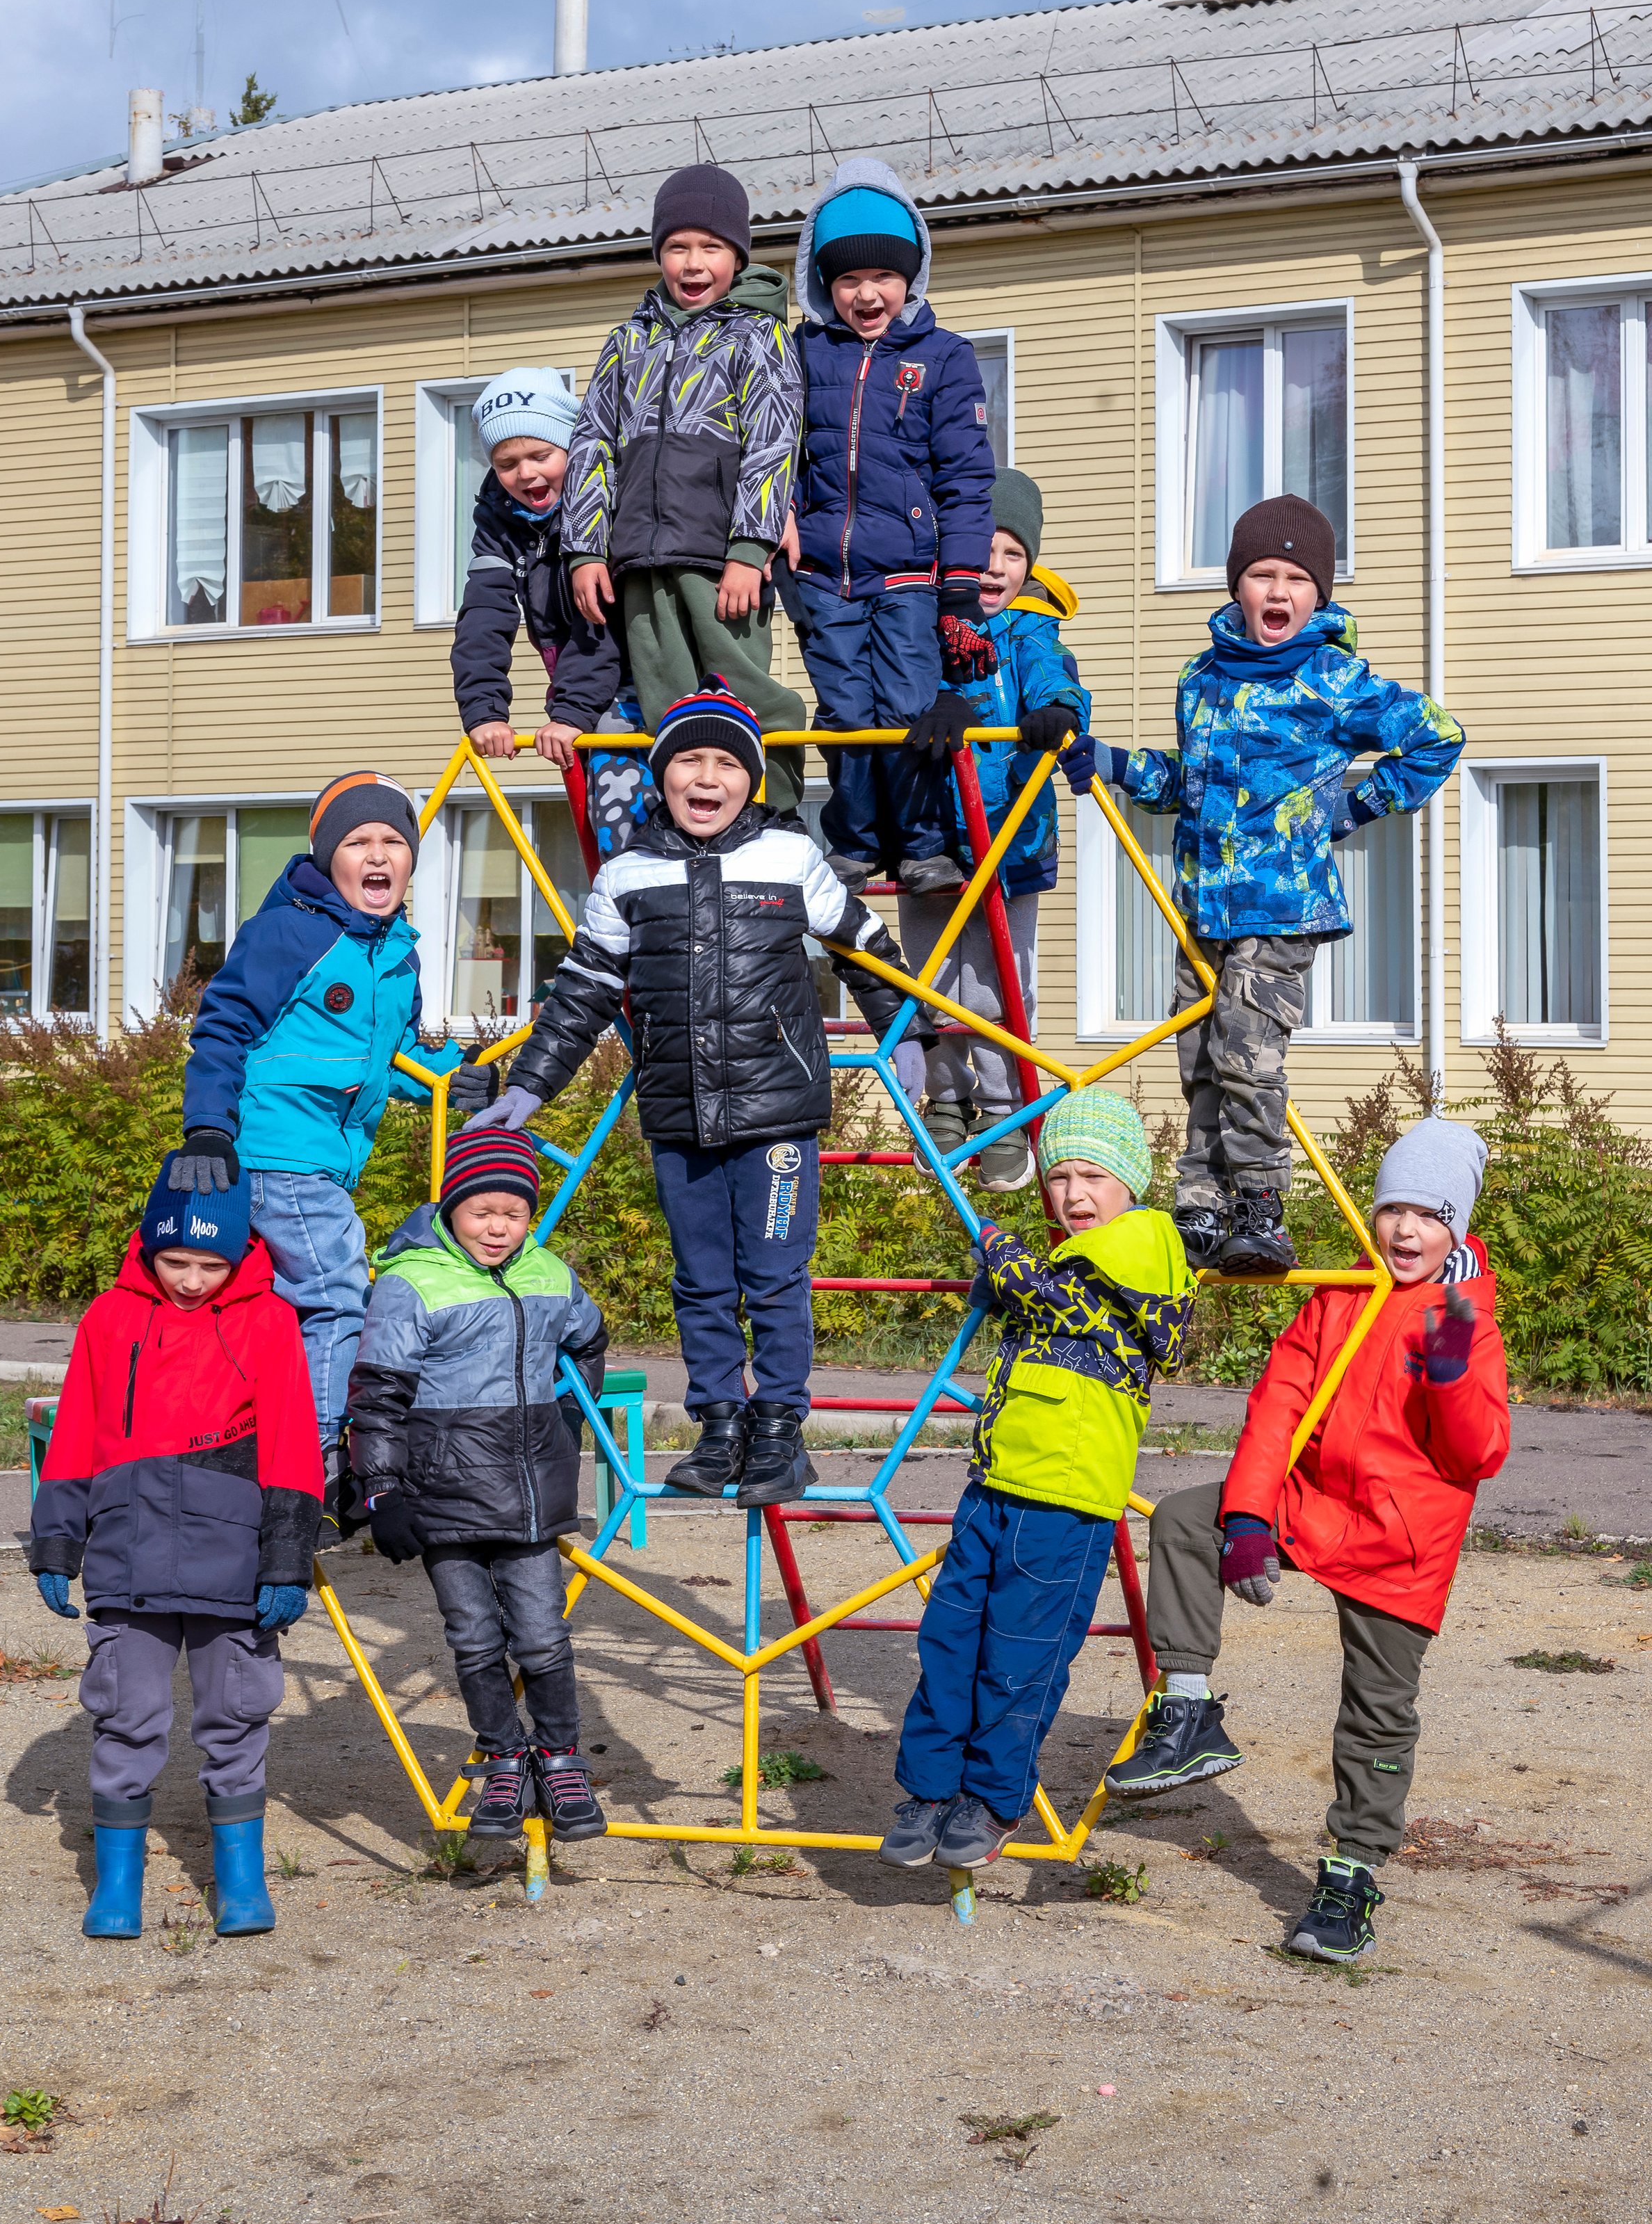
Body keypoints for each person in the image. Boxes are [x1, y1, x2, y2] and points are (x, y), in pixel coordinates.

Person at [469, 688, 932, 1506]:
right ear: (661, 776)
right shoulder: (626, 876)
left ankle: (781, 1430)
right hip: (679, 1111)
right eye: (689, 760)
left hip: (777, 1112)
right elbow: (581, 993)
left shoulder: (788, 859)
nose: (707, 777)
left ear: (752, 782)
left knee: (776, 1276)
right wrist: (531, 1088)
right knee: (702, 1279)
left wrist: (910, 1043)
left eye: (727, 763)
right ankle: (720, 1424)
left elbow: (865, 946)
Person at [1108, 1117, 1507, 1965]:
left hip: (1401, 1538)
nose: (1405, 1230)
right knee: (1186, 1517)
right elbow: (1279, 1403)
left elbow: (1479, 1454)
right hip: (1310, 1497)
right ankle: (1186, 1708)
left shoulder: (1465, 1317)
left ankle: (1350, 1875)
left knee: (1376, 1711)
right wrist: (1250, 1515)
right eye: (1393, 1209)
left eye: (1429, 1216)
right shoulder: (1337, 1294)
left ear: (1456, 1227)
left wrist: (1451, 1370)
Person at [1060, 494, 1464, 1273]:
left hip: (1280, 908)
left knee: (1247, 1054)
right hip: (1201, 905)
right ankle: (1202, 1205)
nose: (1277, 592)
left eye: (1294, 578)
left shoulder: (1333, 678)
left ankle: (1261, 1207)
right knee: (1199, 1056)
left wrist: (1351, 808)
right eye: (1259, 575)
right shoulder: (1200, 679)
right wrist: (1112, 764)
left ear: (1320, 593)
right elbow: (1189, 784)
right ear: (1235, 587)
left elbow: (1436, 738)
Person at [882, 1090, 1192, 1872]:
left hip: (1063, 1502)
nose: (1073, 1194)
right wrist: (1006, 1264)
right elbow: (1031, 1292)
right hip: (994, 1487)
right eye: (1057, 1176)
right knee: (947, 1643)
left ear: (1132, 1185)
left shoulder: (1145, 1245)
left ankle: (990, 1800)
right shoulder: (1059, 1257)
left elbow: (1052, 1296)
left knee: (1018, 1659)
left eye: (1094, 1174)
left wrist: (997, 1247)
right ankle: (927, 1790)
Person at [164, 773, 469, 1536]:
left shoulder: (397, 951)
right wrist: (208, 1127)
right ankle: (325, 1456)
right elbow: (224, 1026)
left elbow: (393, 1054)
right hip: (276, 1149)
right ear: (329, 858)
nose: (377, 854)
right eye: (358, 842)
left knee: (281, 1305)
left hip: (324, 1159)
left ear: (410, 862)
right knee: (335, 1292)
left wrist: (459, 1077)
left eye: (393, 842)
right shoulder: (290, 933)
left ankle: (252, 1437)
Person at [31, 1158, 323, 1940]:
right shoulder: (108, 1319)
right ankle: (117, 1885)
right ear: (148, 1249)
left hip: (233, 1564)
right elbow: (73, 1438)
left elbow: (294, 1444)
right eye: (176, 1261)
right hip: (128, 1557)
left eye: (211, 1263)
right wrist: (57, 1542)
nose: (193, 1279)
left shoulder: (270, 1320)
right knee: (128, 1712)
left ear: (239, 1255)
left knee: (234, 1712)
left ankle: (242, 1881)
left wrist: (288, 1559)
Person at [346, 1124, 610, 1844]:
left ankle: (558, 1758)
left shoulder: (550, 1274)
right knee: (472, 1636)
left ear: (531, 1213)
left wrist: (565, 1412)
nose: (497, 1227)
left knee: (543, 1634)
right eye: (481, 1211)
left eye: (513, 1212)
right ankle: (501, 1755)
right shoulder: (412, 1282)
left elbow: (588, 1339)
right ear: (451, 1208)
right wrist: (382, 1491)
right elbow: (376, 1394)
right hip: (444, 1495)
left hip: (529, 1496)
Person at [560, 164, 807, 812]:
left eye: (711, 248)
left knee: (744, 687)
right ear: (658, 254)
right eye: (677, 247)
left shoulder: (758, 336)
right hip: (639, 559)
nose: (694, 264)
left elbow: (774, 442)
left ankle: (775, 812)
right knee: (665, 701)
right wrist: (585, 550)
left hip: (721, 560)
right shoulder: (627, 342)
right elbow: (592, 447)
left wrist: (750, 549)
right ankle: (687, 831)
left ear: (737, 255)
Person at [791, 156, 998, 895]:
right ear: (821, 282)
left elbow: (968, 477)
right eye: (846, 280)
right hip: (822, 571)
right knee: (845, 712)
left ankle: (920, 843)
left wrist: (961, 589)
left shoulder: (943, 359)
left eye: (882, 276)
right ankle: (852, 842)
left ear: (912, 275)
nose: (866, 293)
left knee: (909, 707)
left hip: (910, 570)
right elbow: (776, 449)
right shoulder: (803, 353)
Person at [896, 468, 1089, 1194]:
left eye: (1011, 554)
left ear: (1028, 567)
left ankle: (1006, 1113)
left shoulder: (1031, 629)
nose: (993, 568)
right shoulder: (926, 625)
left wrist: (1058, 713)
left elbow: (1052, 680)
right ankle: (947, 1105)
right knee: (933, 982)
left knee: (1002, 989)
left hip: (1010, 838)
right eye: (980, 551)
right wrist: (938, 699)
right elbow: (907, 682)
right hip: (932, 842)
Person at [451, 364, 632, 797]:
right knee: (592, 814)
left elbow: (602, 623)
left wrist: (572, 711)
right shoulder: (499, 524)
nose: (526, 474)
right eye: (506, 464)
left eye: (541, 456)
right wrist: (484, 711)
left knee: (628, 802)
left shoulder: (607, 507)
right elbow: (483, 618)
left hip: (631, 679)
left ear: (573, 448)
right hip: (574, 690)